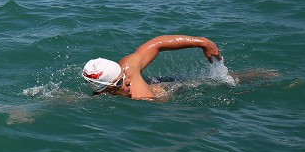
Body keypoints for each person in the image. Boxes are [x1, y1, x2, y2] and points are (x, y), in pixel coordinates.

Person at [82, 35, 222, 100]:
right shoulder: (101, 99)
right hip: (169, 100)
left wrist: (202, 42)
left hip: (172, 86)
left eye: (123, 76)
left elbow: (157, 44)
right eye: (119, 82)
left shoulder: (129, 68)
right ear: (104, 92)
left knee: (229, 80)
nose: (128, 81)